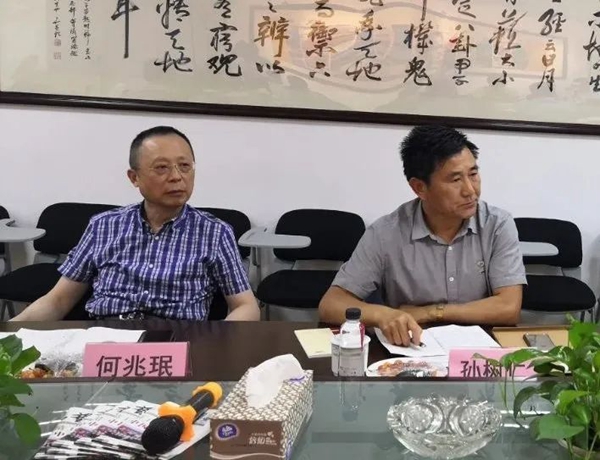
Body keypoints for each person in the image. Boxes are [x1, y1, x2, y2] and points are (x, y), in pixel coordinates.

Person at [12, 126, 260, 322]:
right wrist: (9, 336)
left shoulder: (214, 232)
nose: (177, 177)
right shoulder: (103, 227)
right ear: (134, 177)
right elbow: (58, 301)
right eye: (162, 168)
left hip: (178, 340)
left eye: (185, 166)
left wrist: (213, 341)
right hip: (106, 337)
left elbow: (246, 306)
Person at [319, 125, 526, 346]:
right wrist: (383, 315)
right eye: (455, 180)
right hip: (410, 351)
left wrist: (431, 312)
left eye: (473, 174)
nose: (470, 190)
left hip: (478, 353)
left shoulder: (497, 225)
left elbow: (508, 308)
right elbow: (331, 305)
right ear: (419, 188)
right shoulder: (386, 232)